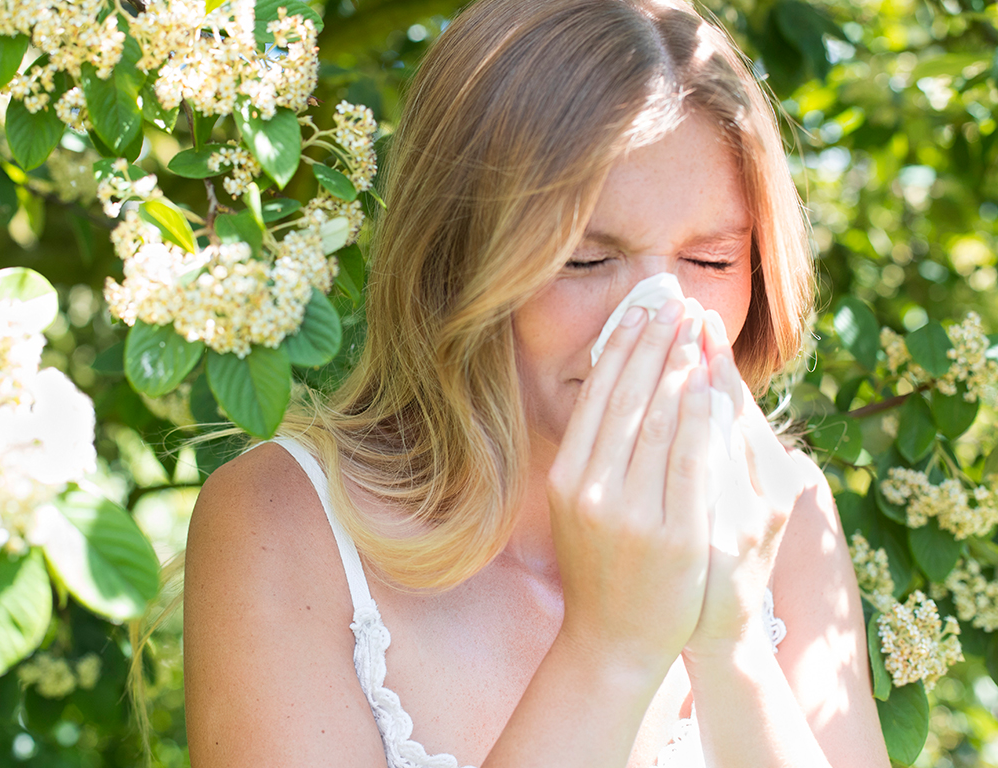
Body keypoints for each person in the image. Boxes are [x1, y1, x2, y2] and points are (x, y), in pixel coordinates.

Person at [182, 0, 889, 765]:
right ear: (456, 259)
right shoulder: (282, 524)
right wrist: (609, 649)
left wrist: (734, 642)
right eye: (583, 260)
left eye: (712, 261)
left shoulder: (784, 515)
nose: (656, 318)